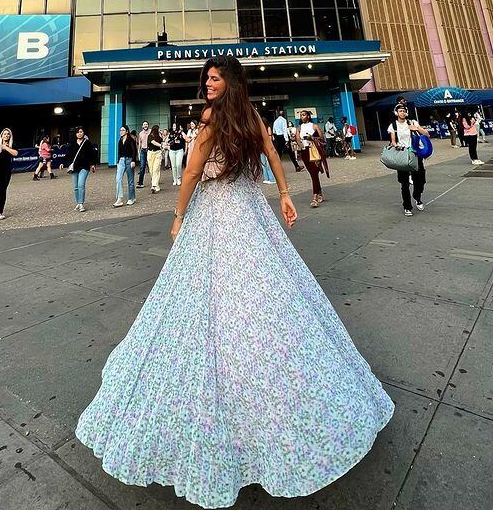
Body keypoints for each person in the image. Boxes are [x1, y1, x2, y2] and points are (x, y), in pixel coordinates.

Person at [75, 55, 394, 508]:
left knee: (206, 300)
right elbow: (271, 155)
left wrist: (179, 213)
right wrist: (284, 195)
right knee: (271, 295)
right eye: (206, 77)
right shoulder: (252, 117)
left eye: (214, 78)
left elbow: (190, 172)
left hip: (215, 217)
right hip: (251, 215)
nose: (207, 84)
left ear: (231, 83)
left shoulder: (213, 119)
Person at [388, 104, 430, 217]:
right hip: (402, 155)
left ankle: (417, 197)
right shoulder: (393, 126)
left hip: (415, 154)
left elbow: (427, 134)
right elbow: (393, 141)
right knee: (404, 183)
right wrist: (396, 145)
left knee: (420, 180)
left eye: (404, 111)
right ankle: (407, 206)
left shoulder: (412, 123)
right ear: (396, 113)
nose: (402, 113)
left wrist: (416, 128)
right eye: (400, 111)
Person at [61, 126, 97, 212]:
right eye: (78, 132)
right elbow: (69, 154)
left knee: (81, 185)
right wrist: (62, 162)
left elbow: (92, 154)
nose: (79, 133)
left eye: (81, 132)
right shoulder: (72, 143)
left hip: (85, 167)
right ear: (75, 134)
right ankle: (78, 202)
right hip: (75, 167)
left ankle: (81, 203)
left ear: (84, 133)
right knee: (75, 187)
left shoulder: (87, 143)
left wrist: (92, 164)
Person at [295, 109, 325, 207]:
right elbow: (297, 138)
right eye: (301, 115)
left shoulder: (314, 126)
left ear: (308, 116)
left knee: (314, 172)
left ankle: (315, 196)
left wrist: (312, 138)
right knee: (312, 173)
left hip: (314, 150)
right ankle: (319, 191)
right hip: (305, 151)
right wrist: (301, 146)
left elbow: (321, 137)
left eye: (304, 115)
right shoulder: (299, 127)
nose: (302, 117)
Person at [113, 125, 137, 207]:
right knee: (118, 179)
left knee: (130, 180)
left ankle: (131, 198)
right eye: (120, 130)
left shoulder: (131, 140)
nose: (121, 131)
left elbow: (134, 150)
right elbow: (119, 152)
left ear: (127, 131)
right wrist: (118, 161)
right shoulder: (120, 140)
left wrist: (133, 160)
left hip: (129, 160)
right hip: (121, 161)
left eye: (123, 130)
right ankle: (119, 199)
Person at [147, 124, 164, 193]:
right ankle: (156, 185)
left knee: (156, 169)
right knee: (151, 170)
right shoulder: (150, 136)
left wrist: (161, 134)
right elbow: (153, 142)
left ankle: (153, 186)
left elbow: (162, 142)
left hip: (158, 153)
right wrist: (160, 145)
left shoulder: (159, 137)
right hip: (150, 153)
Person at [260, 116, 277, 184]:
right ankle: (268, 178)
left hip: (263, 147)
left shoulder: (265, 128)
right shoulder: (266, 128)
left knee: (265, 163)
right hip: (263, 147)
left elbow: (269, 137)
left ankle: (269, 178)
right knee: (265, 163)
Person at [136, 121, 151, 188]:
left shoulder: (151, 132)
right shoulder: (140, 134)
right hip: (143, 151)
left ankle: (154, 181)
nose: (145, 125)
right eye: (144, 124)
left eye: (146, 124)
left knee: (151, 167)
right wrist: (139, 153)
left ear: (148, 125)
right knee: (142, 167)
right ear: (142, 126)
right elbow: (139, 143)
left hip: (150, 150)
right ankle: (140, 183)